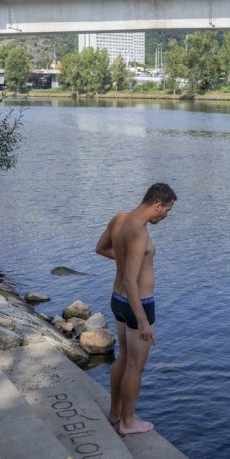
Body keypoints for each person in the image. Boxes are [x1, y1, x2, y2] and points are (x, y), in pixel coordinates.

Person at [95, 182, 177, 436]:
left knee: (123, 357)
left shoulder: (120, 219)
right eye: (167, 210)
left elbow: (101, 249)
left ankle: (115, 413)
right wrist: (142, 320)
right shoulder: (140, 234)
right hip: (137, 304)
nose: (166, 215)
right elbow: (131, 280)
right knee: (135, 366)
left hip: (117, 300)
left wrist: (129, 259)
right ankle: (128, 423)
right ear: (157, 205)